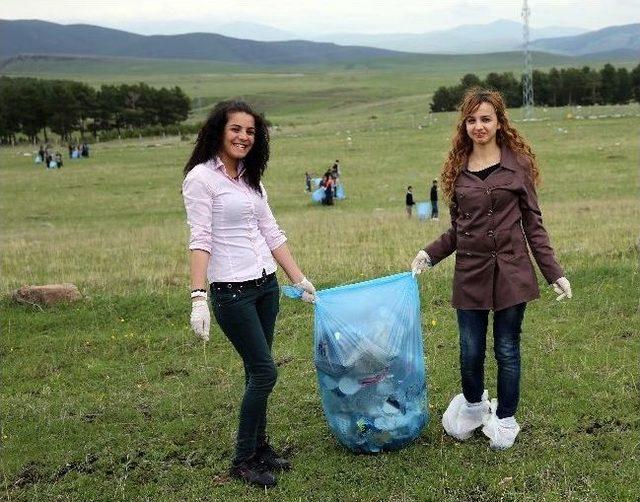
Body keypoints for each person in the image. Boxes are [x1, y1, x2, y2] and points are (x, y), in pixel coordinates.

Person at [411, 88, 572, 450]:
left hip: (513, 274)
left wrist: (553, 272)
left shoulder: (518, 166)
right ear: (464, 125)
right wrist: (429, 253)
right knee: (470, 349)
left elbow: (533, 224)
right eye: (472, 120)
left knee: (507, 348)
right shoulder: (457, 168)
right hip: (471, 274)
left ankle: (505, 418)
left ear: (500, 122)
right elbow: (458, 229)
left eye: (486, 119)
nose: (478, 126)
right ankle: (472, 407)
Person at [182, 100, 316, 488]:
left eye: (251, 132)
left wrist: (298, 278)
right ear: (219, 132)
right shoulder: (200, 179)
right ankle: (242, 459)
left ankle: (261, 449)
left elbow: (271, 232)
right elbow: (200, 239)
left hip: (265, 287)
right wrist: (197, 297)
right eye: (236, 129)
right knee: (264, 372)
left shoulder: (250, 178)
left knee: (256, 370)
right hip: (232, 292)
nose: (243, 137)